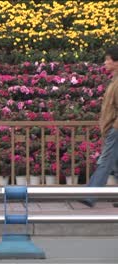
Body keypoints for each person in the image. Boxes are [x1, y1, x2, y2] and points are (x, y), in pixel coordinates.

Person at [80, 46, 118, 208]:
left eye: (108, 59)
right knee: (115, 164)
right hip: (113, 128)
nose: (105, 62)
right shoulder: (115, 80)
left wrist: (115, 127)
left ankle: (90, 195)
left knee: (106, 161)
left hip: (116, 129)